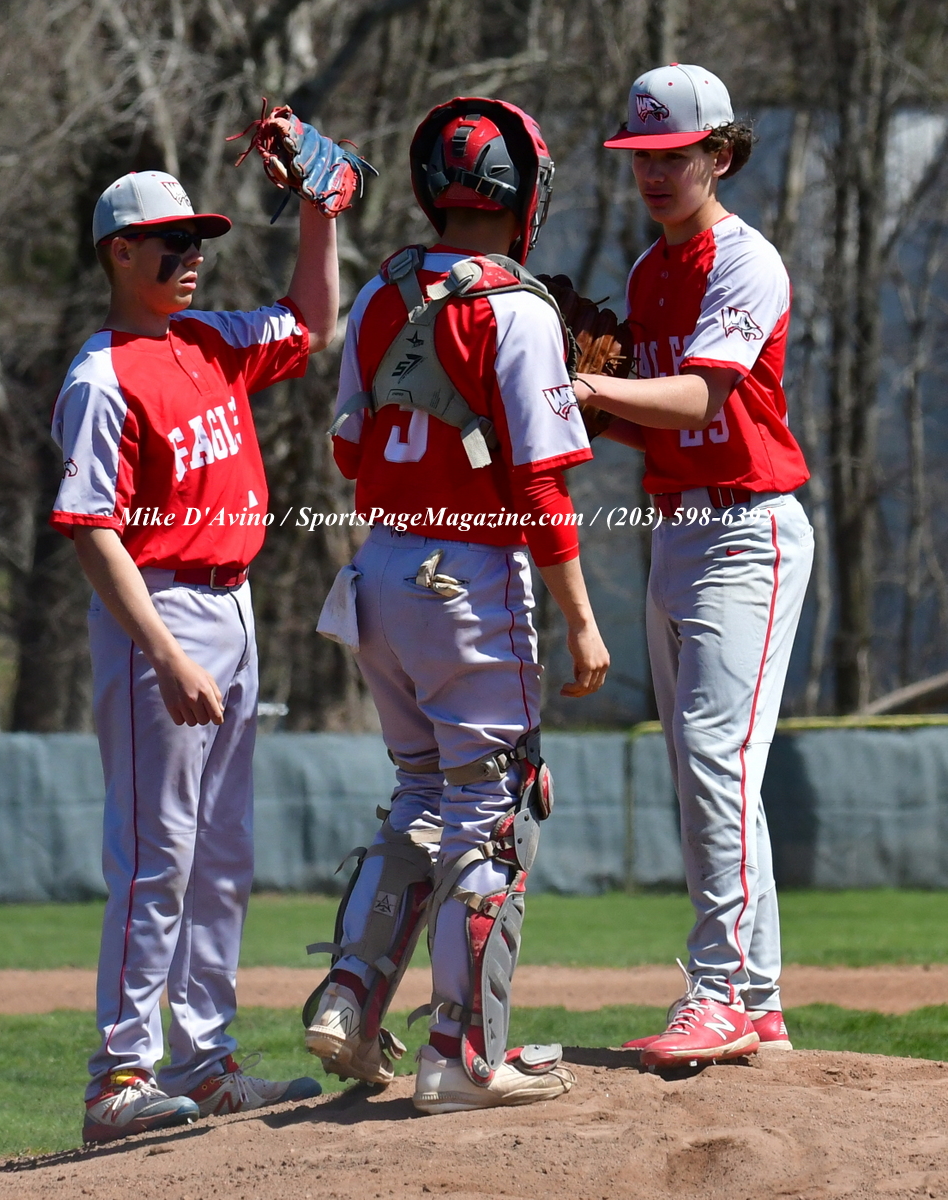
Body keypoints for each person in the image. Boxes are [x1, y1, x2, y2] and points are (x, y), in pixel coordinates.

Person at [302, 98, 610, 1114]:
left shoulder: (381, 292)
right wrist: (580, 617)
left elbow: (347, 449)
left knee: (422, 794)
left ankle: (351, 995)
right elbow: (540, 488)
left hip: (378, 572)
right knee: (495, 812)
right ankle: (462, 1054)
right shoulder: (517, 308)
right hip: (467, 579)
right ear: (524, 194)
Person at [50, 163, 339, 1142]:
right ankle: (118, 1076)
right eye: (172, 242)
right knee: (155, 854)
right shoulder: (100, 377)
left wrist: (318, 207)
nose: (193, 257)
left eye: (200, 240)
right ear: (119, 253)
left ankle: (204, 1062)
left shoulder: (206, 340)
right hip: (160, 608)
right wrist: (166, 654)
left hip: (234, 599)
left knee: (220, 855)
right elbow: (92, 531)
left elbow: (312, 321)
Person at [578, 64, 813, 1067]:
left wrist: (587, 388)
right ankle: (757, 1001)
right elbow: (656, 423)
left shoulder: (745, 261)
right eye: (640, 156)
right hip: (677, 529)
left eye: (672, 155)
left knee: (716, 758)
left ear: (718, 154)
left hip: (748, 530)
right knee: (708, 773)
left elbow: (704, 399)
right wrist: (589, 397)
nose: (653, 173)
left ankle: (717, 990)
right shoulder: (648, 271)